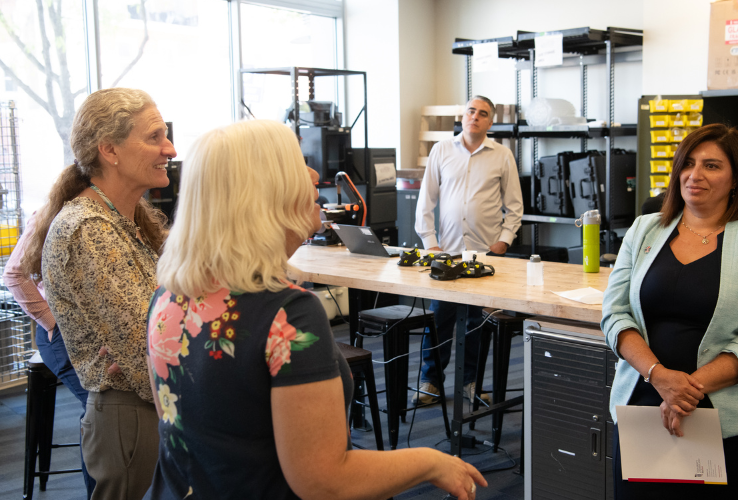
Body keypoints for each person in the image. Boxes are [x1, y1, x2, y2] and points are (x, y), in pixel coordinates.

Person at [144, 119, 487, 500]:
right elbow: (324, 480)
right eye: (297, 166)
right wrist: (431, 462)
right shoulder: (287, 316)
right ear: (268, 193)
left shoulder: (168, 296)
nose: (312, 176)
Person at [600, 123, 738, 498]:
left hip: (729, 415)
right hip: (645, 401)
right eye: (688, 163)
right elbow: (615, 314)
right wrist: (660, 377)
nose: (694, 175)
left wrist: (686, 390)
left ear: (736, 179)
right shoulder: (644, 230)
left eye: (712, 166)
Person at [25, 87, 174, 499]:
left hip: (146, 406)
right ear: (109, 149)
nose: (170, 148)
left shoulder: (123, 219)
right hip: (134, 413)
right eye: (155, 137)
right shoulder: (88, 229)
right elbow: (142, 346)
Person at [414, 95, 523, 405]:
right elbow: (426, 202)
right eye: (471, 111)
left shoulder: (502, 155)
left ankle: (470, 382)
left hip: (483, 254)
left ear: (490, 122)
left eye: (483, 113)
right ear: (463, 116)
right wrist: (429, 243)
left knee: (476, 323)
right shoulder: (441, 150)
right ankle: (431, 381)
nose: (475, 116)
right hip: (444, 253)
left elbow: (514, 206)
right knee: (439, 320)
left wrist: (505, 239)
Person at [4, 213, 96, 496]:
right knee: (99, 406)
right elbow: (14, 274)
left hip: (97, 329)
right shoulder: (52, 213)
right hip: (60, 331)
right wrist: (51, 320)